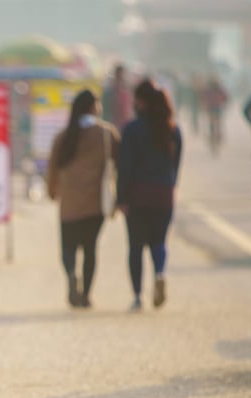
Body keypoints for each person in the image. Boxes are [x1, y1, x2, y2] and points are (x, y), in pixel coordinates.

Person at [47, 89, 119, 308]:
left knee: (68, 248)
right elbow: (121, 164)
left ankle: (71, 273)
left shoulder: (64, 136)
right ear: (94, 107)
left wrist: (52, 191)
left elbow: (52, 168)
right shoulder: (107, 134)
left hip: (69, 202)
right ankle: (86, 295)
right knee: (90, 248)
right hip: (95, 202)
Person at [116, 78, 183, 311]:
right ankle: (160, 273)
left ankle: (137, 296)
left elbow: (124, 167)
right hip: (164, 194)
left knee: (136, 247)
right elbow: (176, 166)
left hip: (138, 195)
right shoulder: (173, 129)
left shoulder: (132, 129)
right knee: (158, 241)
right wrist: (170, 186)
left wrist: (121, 198)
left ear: (141, 102)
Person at [102, 64, 134, 130]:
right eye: (119, 75)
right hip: (113, 126)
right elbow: (105, 111)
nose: (121, 77)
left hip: (124, 125)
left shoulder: (126, 91)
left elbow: (129, 110)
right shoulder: (109, 92)